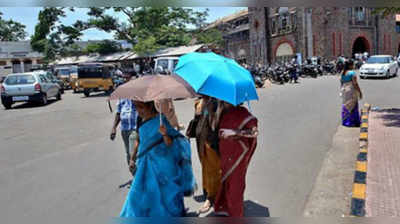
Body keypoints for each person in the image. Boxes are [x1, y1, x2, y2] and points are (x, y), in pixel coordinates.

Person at [120, 101, 196, 217]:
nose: (138, 111)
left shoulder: (161, 120)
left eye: (141, 107)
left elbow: (170, 143)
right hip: (145, 165)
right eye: (136, 108)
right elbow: (138, 141)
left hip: (163, 165)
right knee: (143, 196)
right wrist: (132, 158)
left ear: (149, 106)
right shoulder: (140, 120)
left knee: (166, 195)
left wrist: (165, 134)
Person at [214, 102, 258, 217]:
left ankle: (236, 214)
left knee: (236, 186)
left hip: (238, 156)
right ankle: (226, 207)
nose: (222, 101)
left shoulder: (243, 113)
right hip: (225, 154)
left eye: (224, 100)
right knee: (226, 182)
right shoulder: (223, 112)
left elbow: (254, 132)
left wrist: (235, 132)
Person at [191, 96, 223, 214]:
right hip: (201, 140)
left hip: (213, 141)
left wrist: (211, 111)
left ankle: (212, 197)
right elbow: (197, 120)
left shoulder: (219, 103)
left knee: (215, 170)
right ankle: (209, 193)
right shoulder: (199, 103)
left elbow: (215, 125)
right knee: (206, 168)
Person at [110, 73, 138, 175]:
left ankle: (137, 178)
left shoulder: (138, 93)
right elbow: (118, 111)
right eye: (125, 78)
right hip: (124, 128)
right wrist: (114, 128)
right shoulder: (122, 93)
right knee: (128, 153)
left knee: (133, 153)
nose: (126, 81)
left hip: (135, 127)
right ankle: (135, 175)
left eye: (128, 78)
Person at [340, 60, 363, 127]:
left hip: (344, 90)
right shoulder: (352, 73)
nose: (353, 66)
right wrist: (360, 92)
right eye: (353, 64)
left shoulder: (342, 72)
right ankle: (353, 122)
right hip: (351, 90)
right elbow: (355, 84)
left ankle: (345, 121)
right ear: (350, 65)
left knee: (346, 104)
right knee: (353, 105)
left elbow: (341, 82)